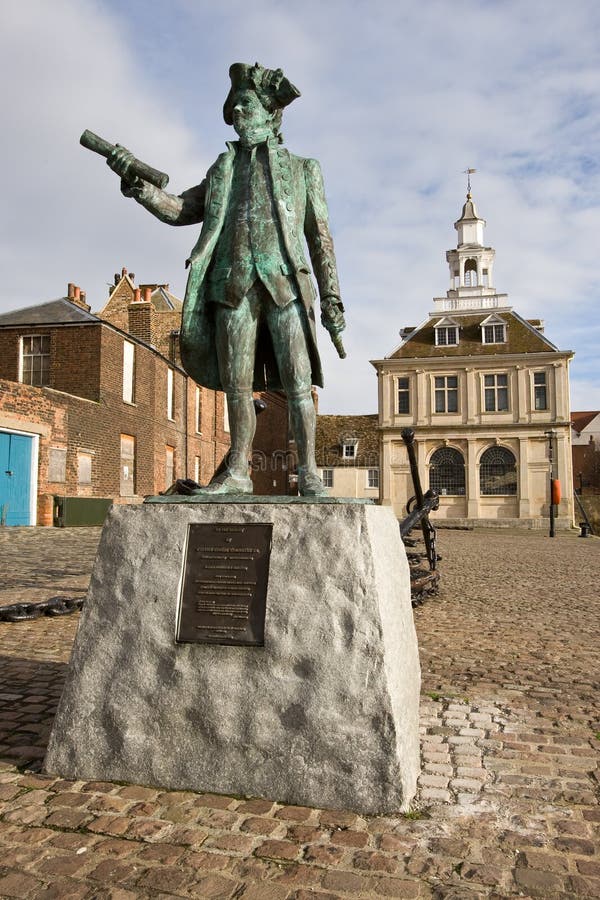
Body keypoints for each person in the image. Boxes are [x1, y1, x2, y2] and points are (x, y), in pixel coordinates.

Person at [108, 62, 345, 496]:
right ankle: (237, 471)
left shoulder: (303, 169)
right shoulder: (222, 169)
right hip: (231, 286)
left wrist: (332, 298)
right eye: (234, 109)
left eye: (247, 107)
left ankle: (309, 473)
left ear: (272, 114)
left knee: (297, 382)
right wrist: (138, 186)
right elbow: (180, 209)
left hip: (285, 283)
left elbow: (320, 237)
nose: (239, 115)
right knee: (236, 384)